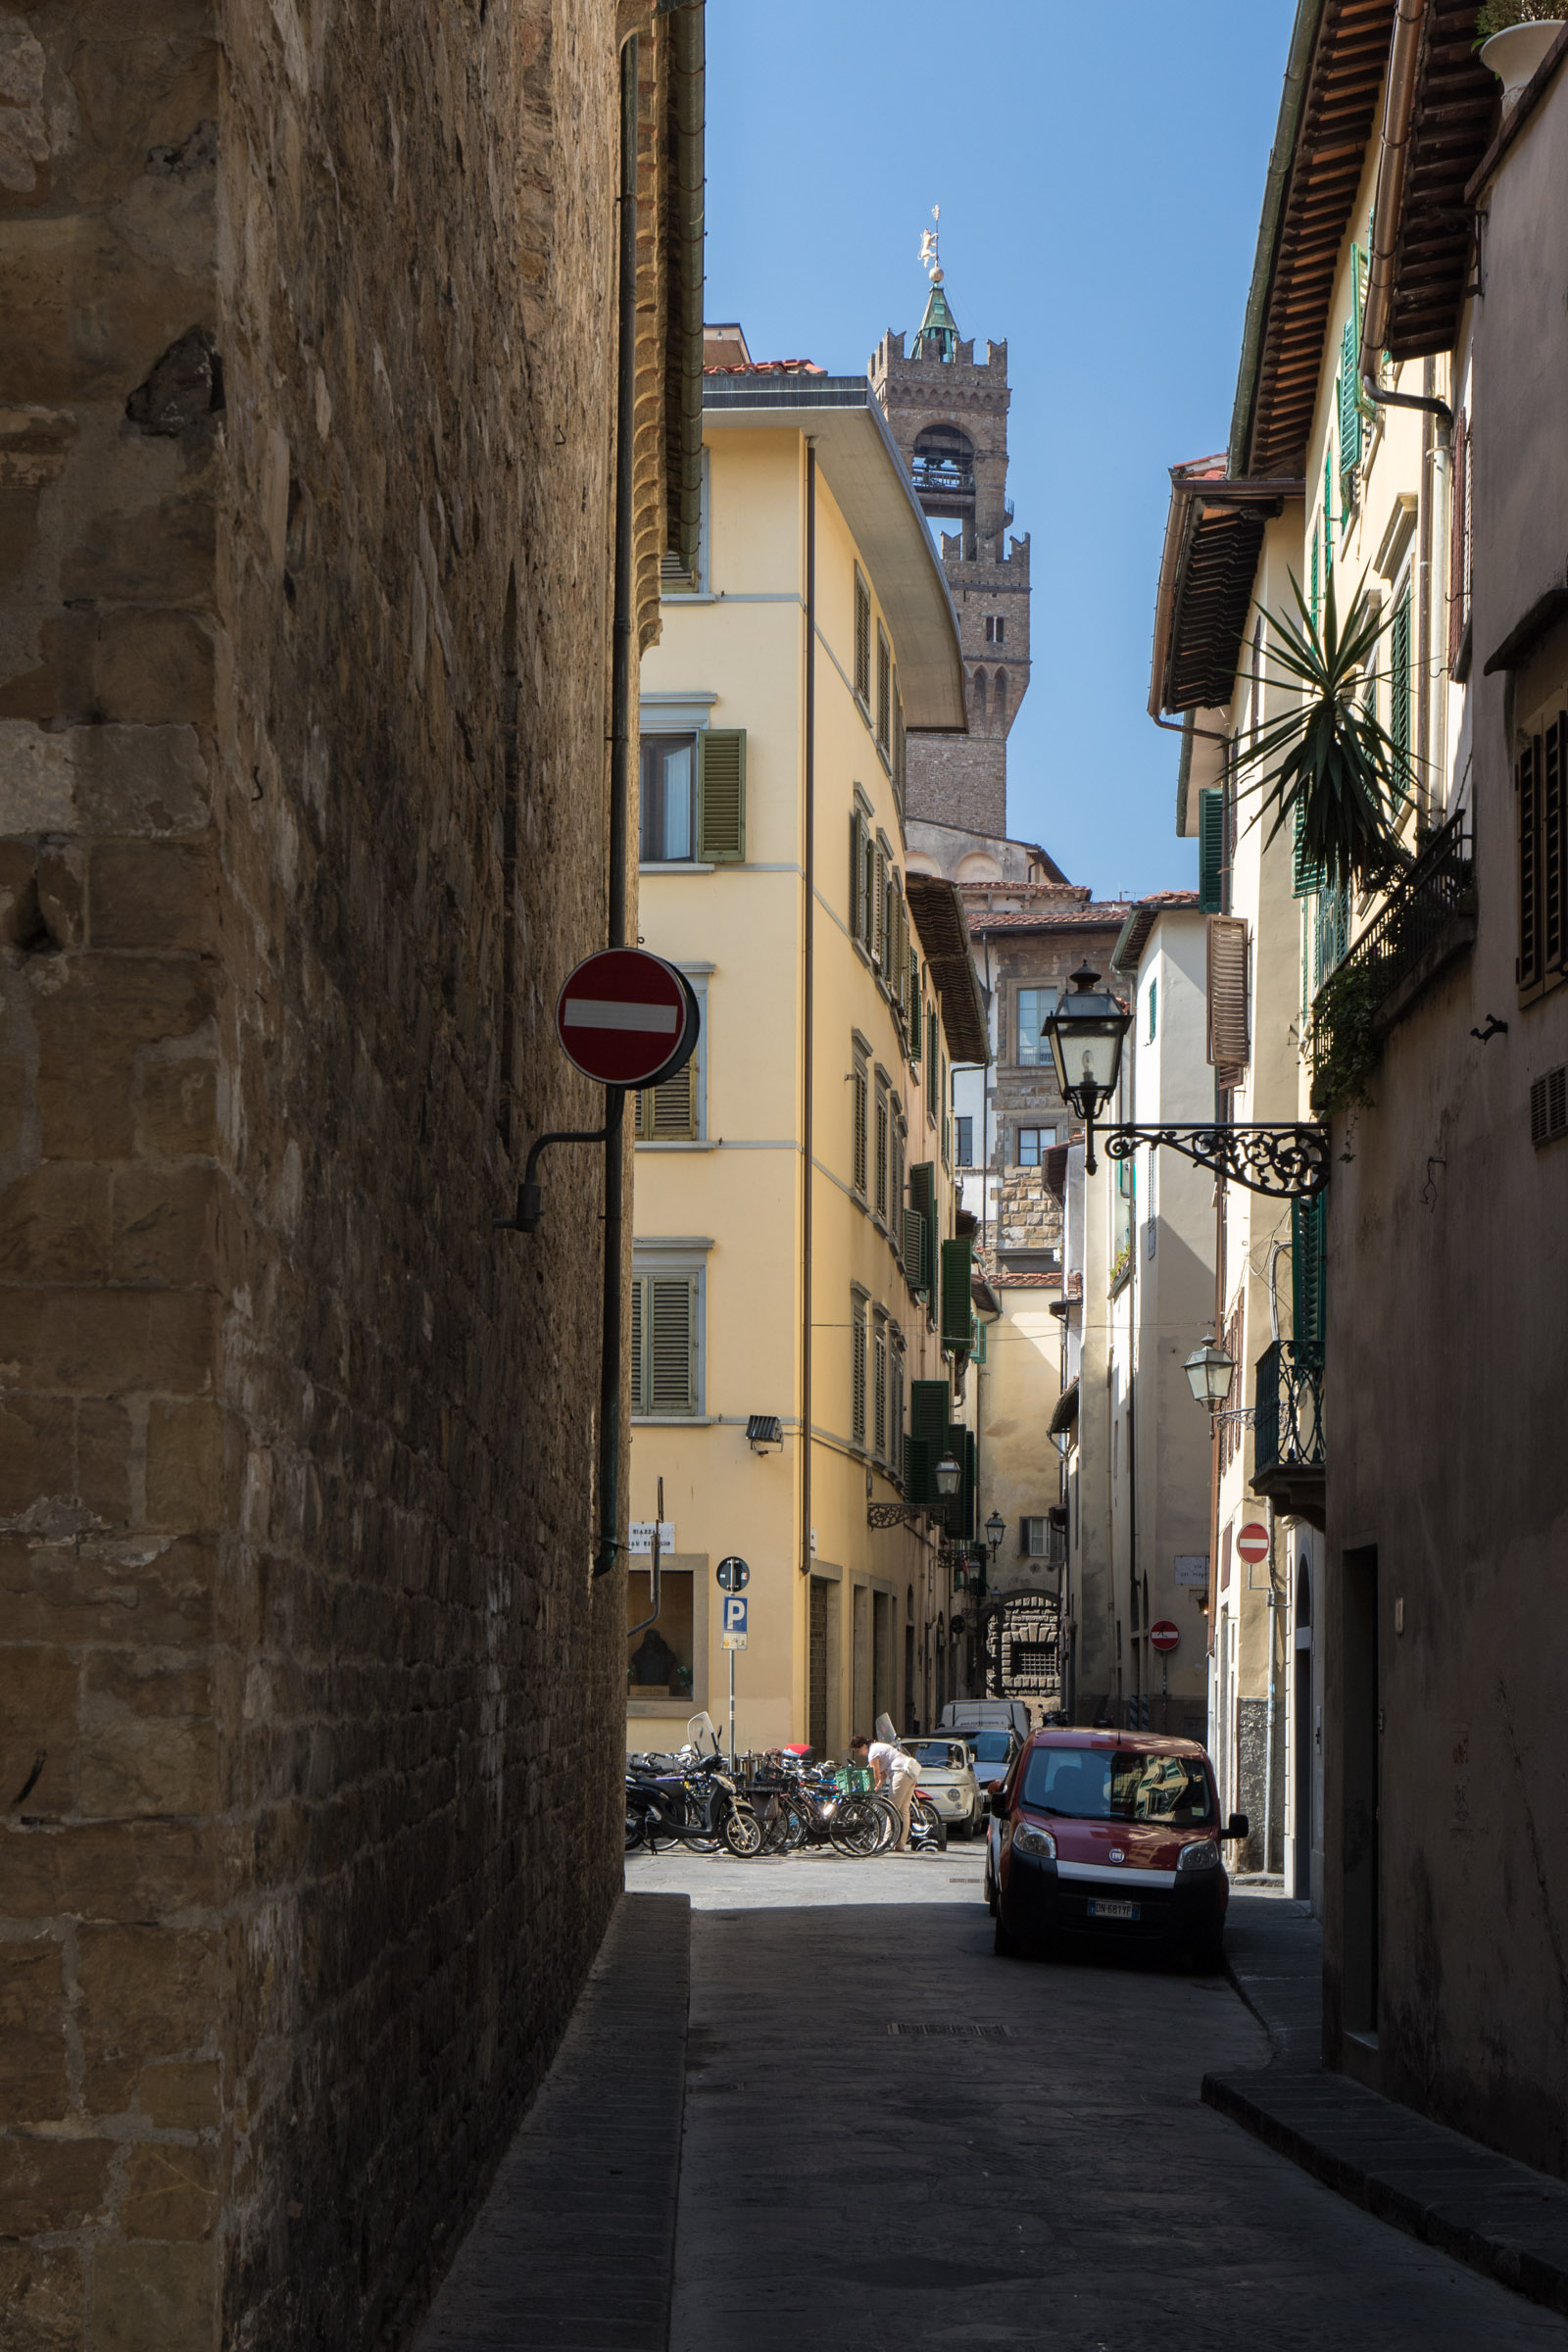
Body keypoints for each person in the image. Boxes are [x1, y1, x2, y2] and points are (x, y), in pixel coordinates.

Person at [853, 1733, 920, 1852]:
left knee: (891, 1810)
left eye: (858, 1751)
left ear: (863, 1746)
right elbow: (882, 1775)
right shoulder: (878, 1746)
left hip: (900, 1773)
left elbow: (875, 1774)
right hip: (909, 1773)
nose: (860, 1754)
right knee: (904, 1810)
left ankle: (886, 1843)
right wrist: (877, 1787)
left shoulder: (872, 1752)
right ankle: (900, 1844)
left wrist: (870, 1789)